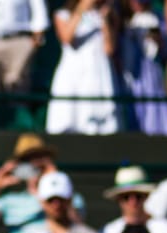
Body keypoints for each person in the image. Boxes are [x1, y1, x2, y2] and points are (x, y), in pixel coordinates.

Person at [46, 0, 120, 136]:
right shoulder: (63, 14)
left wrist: (104, 18)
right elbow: (67, 38)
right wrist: (82, 7)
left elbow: (109, 49)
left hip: (98, 74)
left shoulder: (105, 16)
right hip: (73, 74)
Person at [119, 0, 167, 136]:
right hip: (127, 80)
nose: (139, 4)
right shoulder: (120, 19)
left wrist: (158, 40)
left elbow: (165, 54)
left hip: (151, 77)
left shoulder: (157, 18)